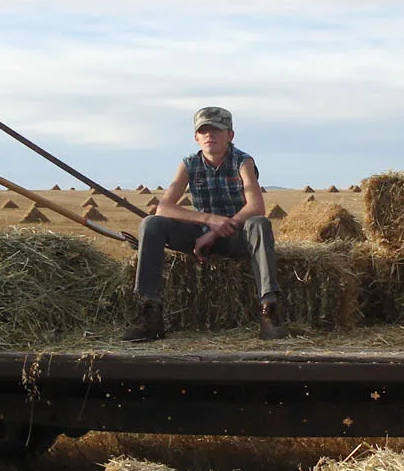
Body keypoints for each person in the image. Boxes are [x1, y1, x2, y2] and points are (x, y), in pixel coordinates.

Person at [123, 106, 288, 342]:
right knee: (151, 223)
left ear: (230, 135)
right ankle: (149, 310)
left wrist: (217, 230)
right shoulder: (189, 164)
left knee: (259, 224)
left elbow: (256, 207)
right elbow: (164, 207)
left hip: (235, 237)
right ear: (196, 137)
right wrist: (209, 221)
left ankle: (269, 309)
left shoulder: (243, 162)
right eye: (204, 130)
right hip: (199, 235)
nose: (210, 135)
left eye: (217, 130)